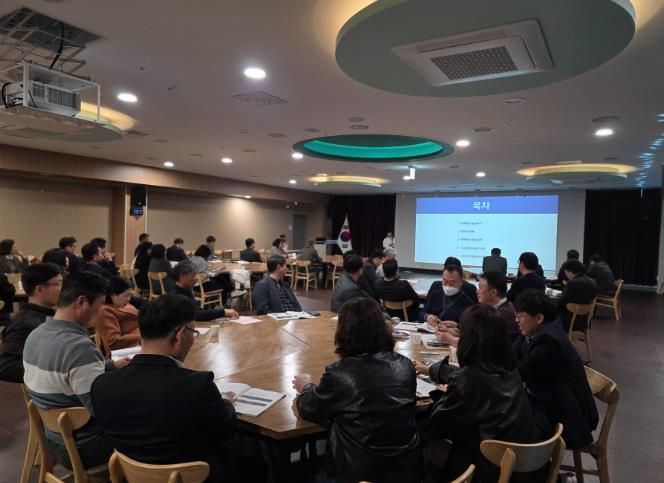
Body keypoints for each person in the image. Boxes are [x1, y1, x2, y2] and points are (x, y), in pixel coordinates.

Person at [91, 294, 237, 482]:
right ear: (180, 335)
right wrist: (227, 403)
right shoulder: (197, 386)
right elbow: (226, 430)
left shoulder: (101, 385)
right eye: (193, 332)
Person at [293, 298, 420, 483]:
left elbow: (310, 409)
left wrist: (306, 387)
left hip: (356, 472)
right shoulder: (405, 366)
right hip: (405, 470)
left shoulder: (341, 373)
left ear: (344, 331)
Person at [418, 305, 538, 483]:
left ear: (468, 339)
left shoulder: (471, 378)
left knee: (419, 434)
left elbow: (441, 423)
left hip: (488, 468)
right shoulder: (508, 367)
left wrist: (444, 394)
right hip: (524, 464)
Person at [23, 271, 129, 469]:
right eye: (99, 306)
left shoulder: (36, 334)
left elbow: (67, 373)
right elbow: (102, 410)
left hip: (54, 439)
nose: (100, 312)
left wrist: (110, 366)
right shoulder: (80, 347)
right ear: (81, 302)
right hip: (85, 447)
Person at [513, 289, 599, 449]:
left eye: (520, 316)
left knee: (509, 427)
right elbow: (513, 354)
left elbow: (518, 373)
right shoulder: (539, 330)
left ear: (539, 318)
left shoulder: (549, 340)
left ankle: (538, 463)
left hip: (569, 420)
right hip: (551, 403)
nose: (516, 320)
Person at [0, 263, 62, 383]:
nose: (62, 289)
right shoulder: (26, 323)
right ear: (40, 289)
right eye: (58, 284)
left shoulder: (47, 314)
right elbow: (6, 366)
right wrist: (53, 375)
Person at [172, 262, 238, 320]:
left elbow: (199, 311)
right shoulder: (177, 297)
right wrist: (222, 312)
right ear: (182, 277)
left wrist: (222, 313)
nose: (196, 278)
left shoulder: (185, 291)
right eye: (193, 275)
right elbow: (196, 315)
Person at [93, 276, 140, 356]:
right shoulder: (105, 311)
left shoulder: (121, 304)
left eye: (130, 295)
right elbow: (113, 342)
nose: (129, 299)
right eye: (126, 295)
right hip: (127, 351)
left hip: (139, 342)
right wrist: (143, 336)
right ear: (113, 295)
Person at [477, 271, 519, 342]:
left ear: (494, 292)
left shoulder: (504, 314)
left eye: (480, 287)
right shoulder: (493, 308)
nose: (477, 291)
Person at [557, 260, 597, 333]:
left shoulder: (572, 283)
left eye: (565, 271)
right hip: (585, 320)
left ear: (570, 271)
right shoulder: (592, 281)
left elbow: (562, 302)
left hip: (570, 319)